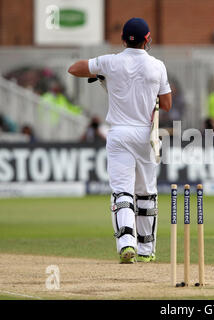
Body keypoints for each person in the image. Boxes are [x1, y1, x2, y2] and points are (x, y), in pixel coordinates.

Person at [68, 18, 172, 264]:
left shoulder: (110, 62)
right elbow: (166, 104)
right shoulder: (157, 66)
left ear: (123, 39)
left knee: (122, 191)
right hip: (146, 134)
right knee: (146, 192)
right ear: (147, 39)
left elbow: (74, 68)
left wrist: (103, 76)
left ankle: (127, 244)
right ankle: (146, 250)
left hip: (119, 133)